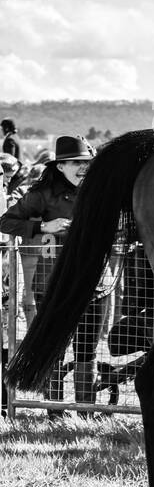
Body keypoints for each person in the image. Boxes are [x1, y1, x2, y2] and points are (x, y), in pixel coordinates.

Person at [0, 135, 113, 411]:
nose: (83, 167)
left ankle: (86, 411)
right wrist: (43, 227)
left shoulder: (101, 192)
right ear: (61, 166)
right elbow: (5, 221)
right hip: (53, 286)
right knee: (55, 350)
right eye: (76, 162)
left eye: (87, 162)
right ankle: (55, 410)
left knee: (87, 351)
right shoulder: (43, 194)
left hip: (95, 284)